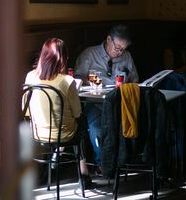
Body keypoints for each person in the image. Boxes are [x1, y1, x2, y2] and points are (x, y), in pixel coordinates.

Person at [24, 38, 93, 186]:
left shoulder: (30, 76)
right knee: (82, 125)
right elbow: (76, 112)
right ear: (63, 59)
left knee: (65, 124)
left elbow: (25, 108)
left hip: (36, 131)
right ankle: (84, 175)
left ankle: (51, 165)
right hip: (63, 132)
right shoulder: (67, 81)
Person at [74, 24, 139, 166]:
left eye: (123, 49)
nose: (120, 52)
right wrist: (95, 81)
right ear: (109, 40)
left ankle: (123, 161)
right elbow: (77, 78)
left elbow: (134, 79)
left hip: (121, 104)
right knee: (97, 128)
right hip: (95, 103)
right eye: (118, 48)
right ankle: (104, 164)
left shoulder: (126, 57)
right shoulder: (89, 54)